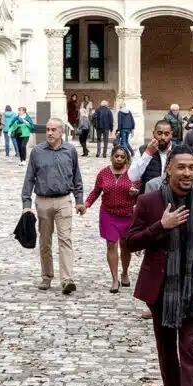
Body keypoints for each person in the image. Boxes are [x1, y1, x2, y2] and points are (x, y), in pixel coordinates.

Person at [126, 146, 193, 386]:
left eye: (192, 167)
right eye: (182, 167)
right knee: (166, 348)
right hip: (160, 288)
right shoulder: (149, 201)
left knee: (188, 347)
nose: (188, 173)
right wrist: (160, 227)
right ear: (169, 170)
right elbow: (130, 242)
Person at [21, 118, 84, 294]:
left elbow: (76, 177)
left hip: (64, 200)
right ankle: (46, 276)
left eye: (53, 130)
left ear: (61, 132)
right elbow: (29, 178)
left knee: (65, 239)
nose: (49, 133)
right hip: (43, 201)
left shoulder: (70, 151)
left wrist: (79, 200)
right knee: (45, 241)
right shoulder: (37, 152)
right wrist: (26, 203)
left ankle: (66, 279)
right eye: (47, 129)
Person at [83, 146, 138, 292]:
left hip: (127, 214)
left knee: (126, 245)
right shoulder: (104, 173)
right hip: (108, 213)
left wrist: (136, 193)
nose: (119, 159)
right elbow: (96, 191)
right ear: (112, 157)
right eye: (116, 156)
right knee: (111, 244)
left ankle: (125, 272)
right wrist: (86, 204)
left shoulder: (133, 174)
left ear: (126, 158)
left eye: (122, 156)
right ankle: (115, 279)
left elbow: (141, 193)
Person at [129, 120, 176, 195]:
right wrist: (148, 153)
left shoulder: (178, 151)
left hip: (172, 197)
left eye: (166, 134)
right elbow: (132, 177)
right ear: (154, 133)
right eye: (159, 133)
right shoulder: (143, 150)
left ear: (171, 134)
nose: (163, 137)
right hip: (149, 197)